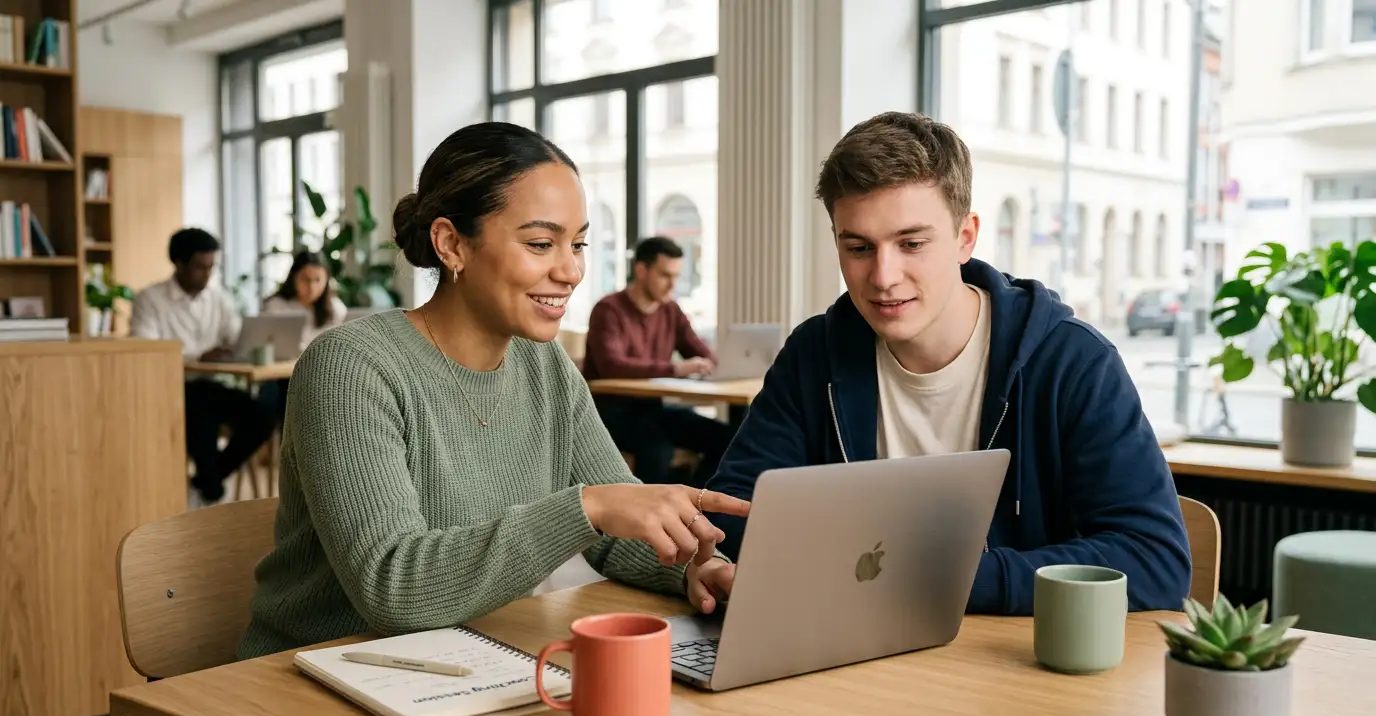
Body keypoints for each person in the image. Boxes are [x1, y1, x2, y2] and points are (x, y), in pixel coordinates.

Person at [237, 122, 748, 660]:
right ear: (452, 244)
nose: (571, 270)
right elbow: (392, 586)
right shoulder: (351, 367)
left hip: (466, 660)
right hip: (316, 673)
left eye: (577, 243)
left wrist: (696, 567)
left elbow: (617, 528)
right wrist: (587, 507)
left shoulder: (541, 361)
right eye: (540, 243)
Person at [705, 112, 1191, 615]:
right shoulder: (814, 354)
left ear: (965, 237)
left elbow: (1155, 561)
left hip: (1012, 666)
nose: (883, 276)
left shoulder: (1072, 360)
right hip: (849, 652)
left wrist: (930, 577)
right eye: (858, 247)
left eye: (912, 243)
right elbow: (734, 509)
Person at [130, 227, 275, 508]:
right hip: (169, 388)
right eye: (199, 267)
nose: (207, 274)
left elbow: (235, 338)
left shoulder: (218, 298)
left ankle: (207, 483)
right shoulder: (150, 300)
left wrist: (246, 345)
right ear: (179, 263)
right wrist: (199, 356)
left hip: (211, 385)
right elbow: (147, 352)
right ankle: (210, 489)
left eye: (211, 267)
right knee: (201, 410)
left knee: (262, 415)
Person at [582, 236, 736, 486]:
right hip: (610, 413)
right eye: (665, 275)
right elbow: (612, 365)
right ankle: (646, 522)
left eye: (676, 275)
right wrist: (676, 368)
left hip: (653, 409)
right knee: (656, 449)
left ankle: (697, 508)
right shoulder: (608, 310)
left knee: (729, 439)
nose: (672, 284)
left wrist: (718, 361)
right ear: (641, 270)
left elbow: (701, 352)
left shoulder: (671, 310)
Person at [257, 250, 348, 421]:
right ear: (293, 278)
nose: (312, 287)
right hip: (281, 378)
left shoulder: (335, 309)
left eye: (317, 280)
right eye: (306, 280)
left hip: (321, 378)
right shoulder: (275, 306)